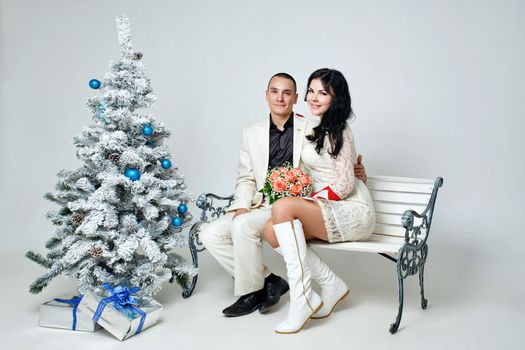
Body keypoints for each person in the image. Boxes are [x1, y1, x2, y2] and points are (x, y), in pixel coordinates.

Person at [199, 72, 369, 318]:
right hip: (261, 203)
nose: (280, 98)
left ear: (295, 98)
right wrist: (241, 205)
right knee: (210, 233)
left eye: (287, 92)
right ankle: (268, 281)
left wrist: (359, 172)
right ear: (266, 95)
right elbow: (246, 177)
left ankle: (251, 293)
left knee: (244, 226)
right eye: (274, 92)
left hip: (295, 205)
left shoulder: (315, 127)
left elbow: (338, 166)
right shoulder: (250, 133)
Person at [263, 68, 376, 334]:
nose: (314, 97)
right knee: (271, 230)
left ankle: (301, 299)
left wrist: (309, 198)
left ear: (335, 99)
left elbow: (346, 183)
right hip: (330, 205)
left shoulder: (340, 131)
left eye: (322, 93)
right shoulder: (315, 127)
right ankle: (331, 284)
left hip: (352, 210)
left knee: (282, 207)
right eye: (311, 91)